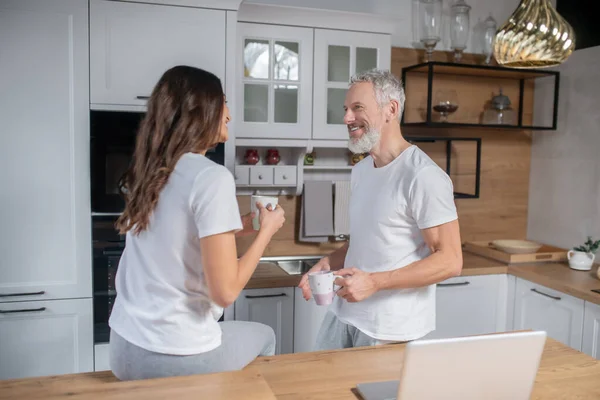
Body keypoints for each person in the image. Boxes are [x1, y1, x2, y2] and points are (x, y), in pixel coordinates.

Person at [108, 65, 286, 380]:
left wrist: (244, 224)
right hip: (174, 357)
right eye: (224, 102)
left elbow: (179, 234)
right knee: (266, 335)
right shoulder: (210, 176)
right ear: (201, 111)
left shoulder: (153, 170)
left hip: (123, 349)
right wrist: (266, 233)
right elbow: (225, 292)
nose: (229, 113)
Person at [298, 69, 463, 350]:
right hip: (344, 315)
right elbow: (371, 240)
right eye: (346, 109)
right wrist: (329, 263)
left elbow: (450, 260)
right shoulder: (362, 170)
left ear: (391, 109)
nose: (347, 118)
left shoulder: (422, 176)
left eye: (357, 108)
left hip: (389, 329)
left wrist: (374, 282)